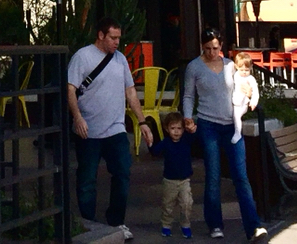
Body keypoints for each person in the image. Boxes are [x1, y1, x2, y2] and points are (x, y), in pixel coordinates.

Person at [65, 17, 154, 241]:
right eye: (113, 38)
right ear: (101, 35)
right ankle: (89, 223)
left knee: (122, 173)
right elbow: (70, 89)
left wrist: (142, 122)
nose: (116, 42)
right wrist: (77, 117)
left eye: (118, 38)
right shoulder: (82, 57)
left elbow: (130, 91)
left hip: (116, 128)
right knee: (87, 179)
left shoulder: (120, 59)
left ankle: (116, 221)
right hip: (89, 128)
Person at [182, 28, 265, 241]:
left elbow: (245, 84)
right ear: (202, 46)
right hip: (208, 123)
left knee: (241, 176)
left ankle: (253, 226)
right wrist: (188, 117)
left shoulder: (230, 65)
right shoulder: (194, 67)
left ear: (221, 46)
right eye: (207, 48)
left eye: (215, 48)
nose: (212, 52)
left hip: (231, 124)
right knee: (213, 174)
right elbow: (188, 95)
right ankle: (215, 224)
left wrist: (250, 95)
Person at [159, 111, 193, 239]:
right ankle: (166, 225)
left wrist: (191, 129)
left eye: (179, 128)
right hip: (169, 180)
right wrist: (150, 143)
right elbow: (155, 151)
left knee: (187, 203)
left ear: (183, 129)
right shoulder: (166, 142)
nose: (176, 131)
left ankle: (185, 225)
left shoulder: (186, 140)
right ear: (167, 129)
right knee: (168, 204)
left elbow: (195, 138)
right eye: (173, 128)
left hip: (184, 180)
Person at [230, 52, 259, 144]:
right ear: (236, 67)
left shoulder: (250, 79)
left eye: (246, 70)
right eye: (241, 70)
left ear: (251, 68)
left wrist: (253, 102)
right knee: (233, 115)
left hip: (243, 103)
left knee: (236, 116)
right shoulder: (235, 75)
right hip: (234, 101)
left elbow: (255, 92)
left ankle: (237, 133)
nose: (244, 72)